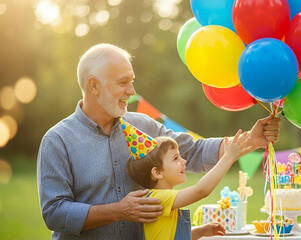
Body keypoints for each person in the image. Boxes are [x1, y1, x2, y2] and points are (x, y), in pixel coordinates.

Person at [37, 43, 281, 240]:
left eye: (131, 81)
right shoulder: (58, 140)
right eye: (122, 82)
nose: (131, 90)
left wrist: (250, 140)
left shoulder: (144, 125)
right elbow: (55, 213)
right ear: (93, 85)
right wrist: (118, 211)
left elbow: (193, 151)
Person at [126, 129, 252, 240]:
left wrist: (200, 231)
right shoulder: (157, 198)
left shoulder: (164, 199)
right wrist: (228, 157)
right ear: (157, 172)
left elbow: (172, 236)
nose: (184, 161)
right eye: (175, 158)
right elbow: (201, 190)